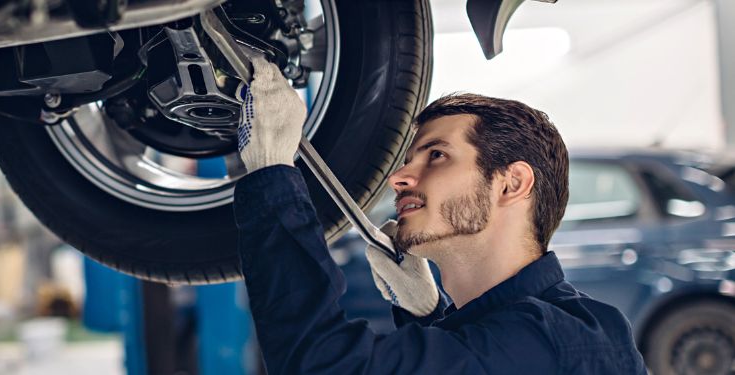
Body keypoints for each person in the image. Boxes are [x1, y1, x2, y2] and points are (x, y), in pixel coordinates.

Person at [233, 56, 647, 374]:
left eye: (436, 155)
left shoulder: (541, 338)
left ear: (511, 183)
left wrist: (272, 172)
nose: (399, 177)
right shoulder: (585, 325)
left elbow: (322, 365)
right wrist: (428, 316)